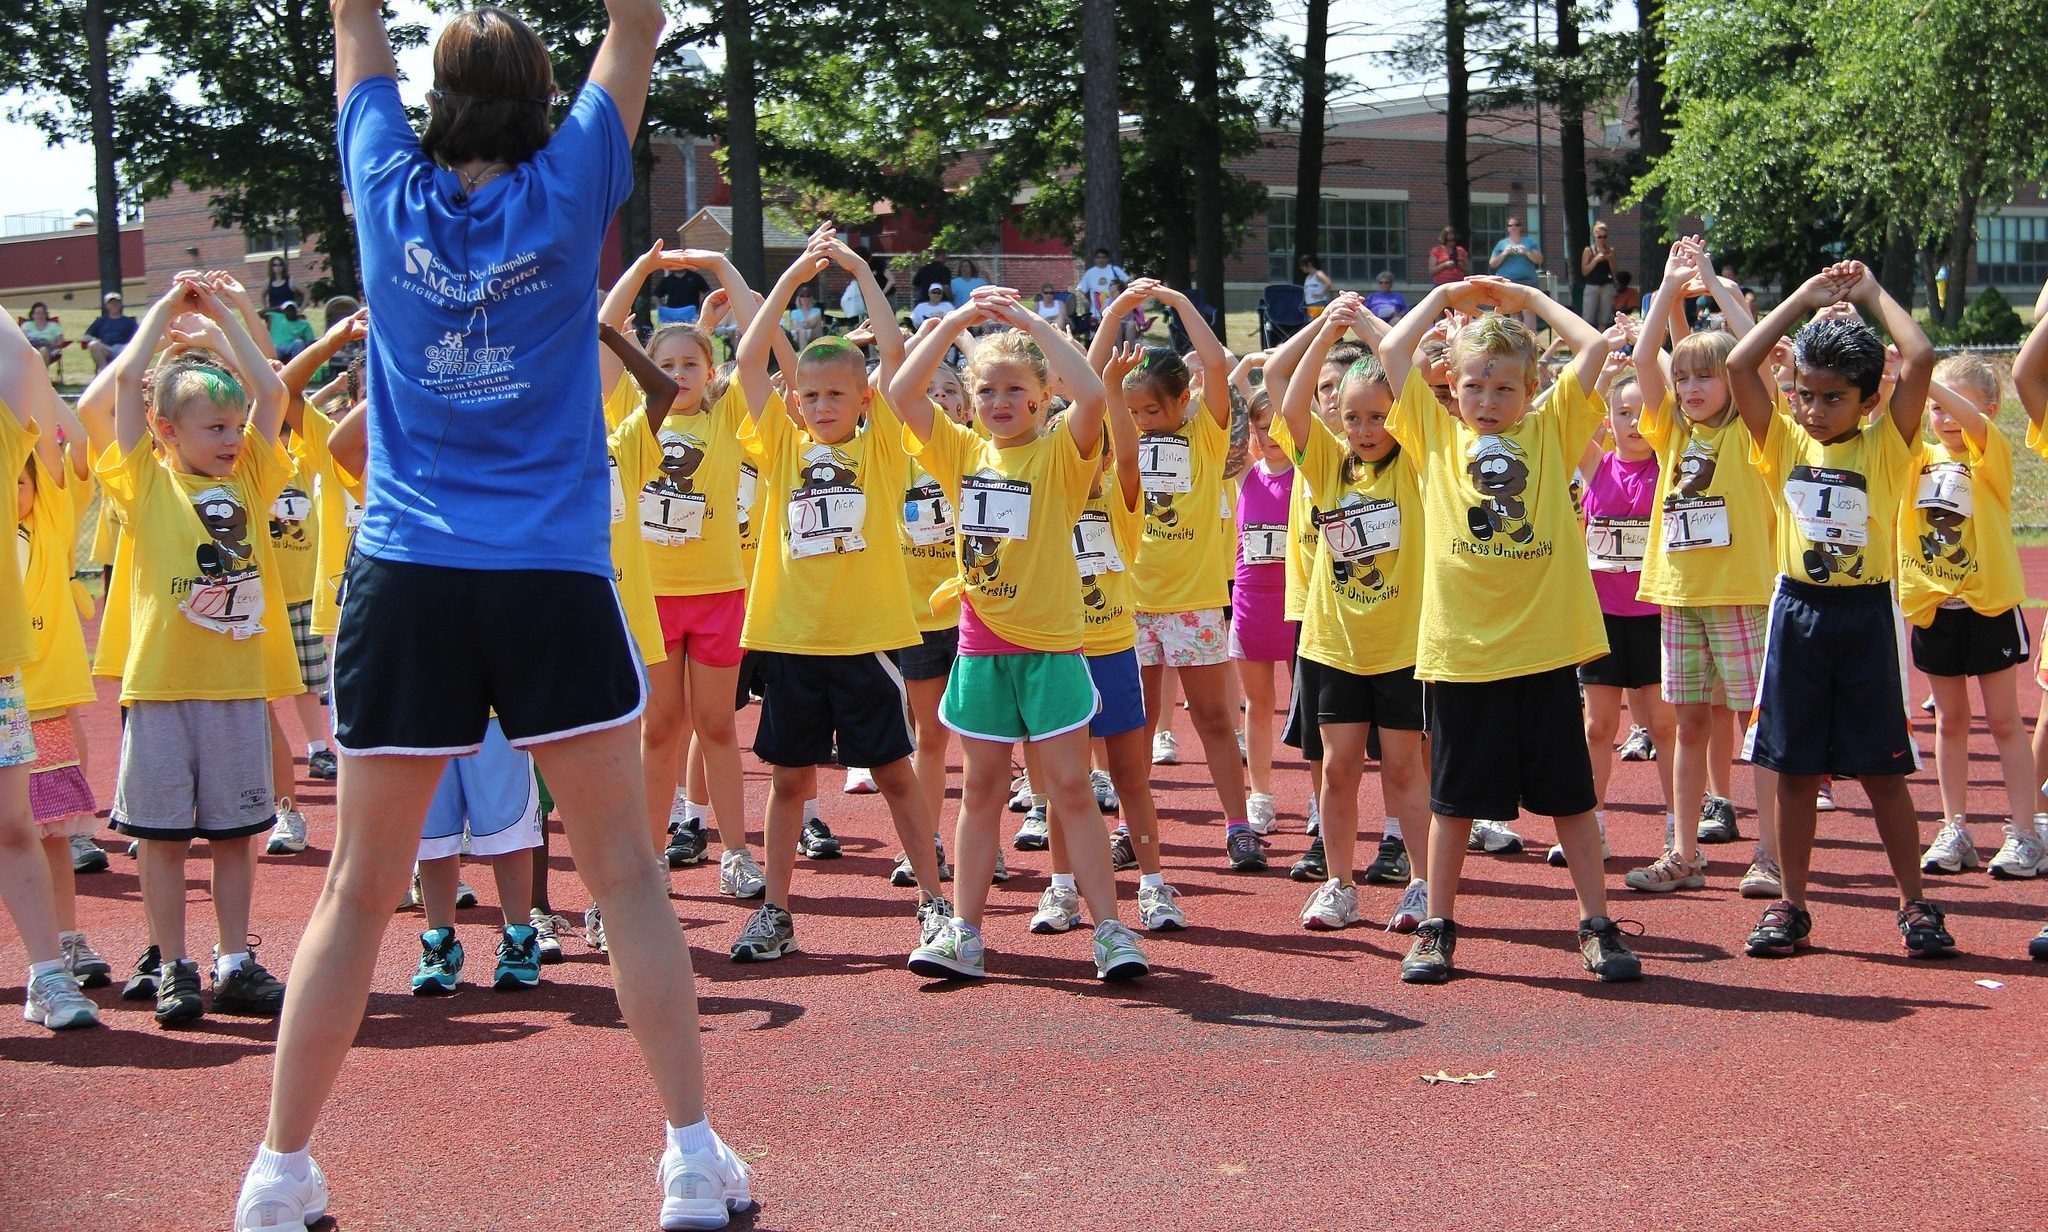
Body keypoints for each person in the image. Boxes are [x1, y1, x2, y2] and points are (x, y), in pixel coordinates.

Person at [237, 6, 752, 1232]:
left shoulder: (383, 186)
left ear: (438, 96)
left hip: (407, 572)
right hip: (549, 576)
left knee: (358, 887)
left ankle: (277, 1171)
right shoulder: (572, 181)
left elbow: (351, 22)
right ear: (538, 98)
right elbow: (636, 25)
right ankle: (687, 1157)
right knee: (624, 874)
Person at [1374, 274, 1637, 985]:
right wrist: (1447, 298)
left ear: (1530, 391)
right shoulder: (1431, 433)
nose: (1488, 402)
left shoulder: (1551, 428)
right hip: (1461, 656)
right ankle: (1437, 925)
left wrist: (1523, 300)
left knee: (1573, 799)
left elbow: (1593, 341)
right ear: (1451, 388)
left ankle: (1597, 922)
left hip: (1544, 650)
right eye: (1474, 388)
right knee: (1452, 803)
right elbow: (1393, 349)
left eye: (1504, 390)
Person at [888, 284, 1153, 979]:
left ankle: (1111, 933)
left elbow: (1094, 394)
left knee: (1070, 788)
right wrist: (957, 321)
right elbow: (900, 392)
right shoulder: (961, 454)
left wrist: (1029, 320)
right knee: (979, 791)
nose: (1000, 402)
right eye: (987, 391)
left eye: (1015, 389)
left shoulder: (1061, 456)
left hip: (1053, 648)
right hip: (982, 646)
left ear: (1040, 398)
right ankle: (963, 933)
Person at [721, 227, 948, 965]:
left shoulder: (880, 445)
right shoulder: (781, 443)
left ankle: (935, 905)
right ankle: (777, 912)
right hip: (791, 638)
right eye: (810, 395)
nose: (821, 406)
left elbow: (894, 358)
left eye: (835, 395)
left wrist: (857, 270)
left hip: (866, 638)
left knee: (892, 773)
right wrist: (785, 282)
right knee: (789, 781)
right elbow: (750, 359)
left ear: (861, 401)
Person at [1726, 259, 1954, 962]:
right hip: (1797, 613)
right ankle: (1792, 905)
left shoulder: (1888, 445)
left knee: (1885, 773)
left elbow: (1920, 356)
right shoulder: (1783, 441)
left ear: (1866, 399)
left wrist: (1868, 293)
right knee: (1793, 771)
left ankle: (1914, 902)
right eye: (1805, 395)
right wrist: (1804, 297)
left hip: (1863, 618)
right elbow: (1740, 364)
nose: (1813, 409)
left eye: (1831, 399)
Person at [101, 272, 298, 1032]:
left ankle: (234, 962)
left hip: (234, 684)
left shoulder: (250, 469)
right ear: (166, 433)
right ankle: (174, 964)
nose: (230, 438)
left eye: (232, 425)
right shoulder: (143, 482)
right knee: (160, 836)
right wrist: (160, 316)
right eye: (212, 428)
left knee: (234, 834)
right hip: (160, 689)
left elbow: (271, 398)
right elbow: (124, 394)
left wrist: (220, 322)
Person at [1629, 236, 1781, 897]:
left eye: (1705, 376)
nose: (1689, 388)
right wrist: (1667, 286)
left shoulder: (1751, 427)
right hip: (1681, 594)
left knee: (1759, 724)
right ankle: (1684, 851)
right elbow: (1642, 355)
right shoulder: (1672, 429)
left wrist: (1715, 285)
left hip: (1742, 591)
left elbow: (1756, 353)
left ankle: (1772, 854)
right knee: (1688, 722)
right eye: (1683, 377)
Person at [1091, 278, 1258, 872]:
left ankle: (1238, 825)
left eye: (1153, 409)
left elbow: (1215, 363)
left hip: (1193, 600)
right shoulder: (1122, 438)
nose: (1143, 419)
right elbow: (1093, 382)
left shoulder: (1204, 436)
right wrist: (1113, 314)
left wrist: (1182, 303)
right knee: (1131, 728)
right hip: (1130, 603)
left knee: (1214, 719)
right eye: (1133, 411)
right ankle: (1131, 830)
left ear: (1181, 400)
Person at [1276, 299, 1432, 935]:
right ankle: (1339, 884)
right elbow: (1285, 402)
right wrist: (1326, 329)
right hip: (1334, 644)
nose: (1366, 429)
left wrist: (1370, 329)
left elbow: (1413, 375)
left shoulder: (1419, 462)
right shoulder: (1328, 463)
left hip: (1402, 647)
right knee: (1337, 769)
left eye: (1378, 416)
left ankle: (1423, 885)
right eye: (1353, 418)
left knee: (1404, 768)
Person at [1903, 355, 2046, 880]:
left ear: (1985, 409)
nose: (1943, 417)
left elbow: (1979, 428)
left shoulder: (1992, 453)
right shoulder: (1916, 457)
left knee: (2006, 721)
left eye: (1953, 406)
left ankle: (2026, 832)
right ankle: (1954, 827)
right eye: (1934, 407)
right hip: (1936, 607)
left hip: (1988, 605)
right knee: (1950, 719)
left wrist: (1929, 377)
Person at [0, 312, 101, 1032]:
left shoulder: (8, 448)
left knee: (17, 828)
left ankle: (47, 976)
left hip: (7, 679)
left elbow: (24, 364)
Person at [1570, 363, 1679, 876]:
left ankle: (1679, 829)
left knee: (1661, 724)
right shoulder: (1595, 465)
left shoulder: (1674, 463)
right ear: (1607, 420)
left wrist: (1650, 356)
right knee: (1598, 726)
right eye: (1622, 413)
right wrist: (1602, 366)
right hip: (1601, 617)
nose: (1634, 423)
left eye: (1644, 412)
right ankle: (1592, 821)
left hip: (1656, 615)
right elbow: (1569, 414)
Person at [83, 292, 138, 370]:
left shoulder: (129, 321)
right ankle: (104, 372)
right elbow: (86, 337)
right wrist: (93, 340)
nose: (114, 305)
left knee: (130, 347)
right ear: (106, 306)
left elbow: (140, 335)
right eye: (111, 303)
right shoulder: (101, 321)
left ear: (120, 304)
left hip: (124, 348)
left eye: (116, 302)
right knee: (93, 345)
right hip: (107, 349)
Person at [1075, 246, 1129, 325]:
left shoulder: (1114, 269)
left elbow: (1128, 282)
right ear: (1095, 259)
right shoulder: (1090, 273)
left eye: (1103, 257)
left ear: (1107, 259)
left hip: (1115, 308)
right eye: (1099, 257)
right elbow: (1080, 289)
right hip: (1095, 313)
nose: (1101, 259)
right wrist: (1086, 303)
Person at [1580, 221, 1617, 324]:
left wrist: (1610, 260)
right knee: (1588, 317)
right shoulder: (1588, 251)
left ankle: (1601, 336)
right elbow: (1584, 271)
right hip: (1592, 285)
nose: (1602, 239)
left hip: (1607, 285)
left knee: (1604, 318)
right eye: (1599, 237)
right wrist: (1596, 260)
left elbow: (1614, 271)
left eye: (1604, 237)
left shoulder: (1610, 251)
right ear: (1594, 236)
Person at [21, 303, 64, 375]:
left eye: (42, 313)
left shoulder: (54, 326)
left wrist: (52, 344)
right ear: (32, 315)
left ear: (46, 314)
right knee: (40, 350)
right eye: (37, 313)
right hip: (31, 349)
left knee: (43, 350)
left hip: (50, 349)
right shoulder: (27, 325)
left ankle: (40, 375)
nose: (40, 315)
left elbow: (60, 341)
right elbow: (23, 339)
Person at [783, 284, 824, 349]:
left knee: (816, 317)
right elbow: (794, 328)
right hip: (798, 336)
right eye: (802, 296)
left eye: (807, 296)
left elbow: (816, 325)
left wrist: (804, 324)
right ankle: (803, 354)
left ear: (810, 298)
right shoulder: (795, 312)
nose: (805, 298)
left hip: (813, 333)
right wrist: (805, 326)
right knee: (802, 331)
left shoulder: (816, 311)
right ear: (799, 298)